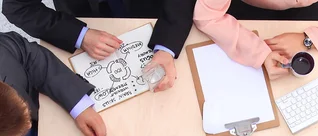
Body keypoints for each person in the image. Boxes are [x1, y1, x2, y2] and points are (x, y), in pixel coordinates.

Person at [2, 0, 196, 92]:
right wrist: (79, 35)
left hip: (154, 16)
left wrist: (167, 45)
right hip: (85, 17)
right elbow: (18, 8)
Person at [192, 0, 318, 79]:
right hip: (245, 11)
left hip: (310, 11)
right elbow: (207, 15)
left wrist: (310, 38)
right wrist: (258, 52)